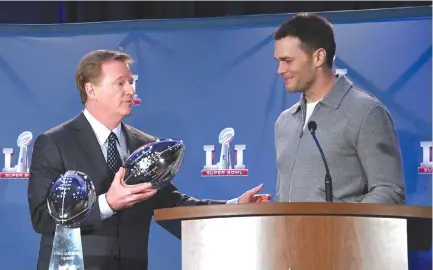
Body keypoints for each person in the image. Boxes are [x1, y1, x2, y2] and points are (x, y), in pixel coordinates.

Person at [27, 50, 271, 270]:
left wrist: (234, 206)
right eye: (120, 83)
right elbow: (41, 218)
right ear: (91, 90)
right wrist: (107, 204)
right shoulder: (55, 142)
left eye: (131, 82)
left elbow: (170, 205)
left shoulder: (145, 144)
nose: (131, 90)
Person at [273, 13, 405, 204]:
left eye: (288, 60)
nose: (280, 70)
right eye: (278, 61)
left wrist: (341, 226)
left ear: (318, 57)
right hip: (288, 234)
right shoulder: (285, 121)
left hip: (343, 234)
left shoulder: (365, 112)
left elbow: (389, 191)